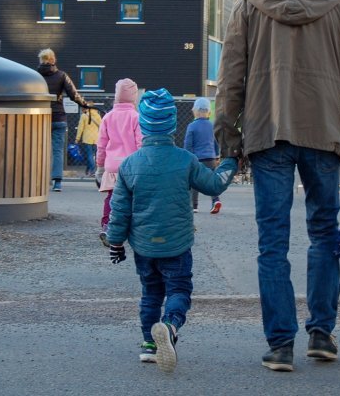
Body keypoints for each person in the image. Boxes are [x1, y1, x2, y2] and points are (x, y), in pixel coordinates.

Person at [214, 0, 340, 372]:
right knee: (324, 235)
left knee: (273, 242)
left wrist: (227, 140)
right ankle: (322, 334)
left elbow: (230, 81)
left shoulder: (247, 6)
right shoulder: (339, 10)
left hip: (268, 135)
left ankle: (280, 345)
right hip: (324, 135)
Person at [106, 88, 238, 373]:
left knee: (150, 293)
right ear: (171, 125)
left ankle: (148, 345)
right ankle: (170, 325)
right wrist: (230, 161)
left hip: (143, 245)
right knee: (179, 289)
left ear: (143, 125)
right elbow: (214, 185)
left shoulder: (129, 164)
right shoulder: (185, 160)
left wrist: (116, 243)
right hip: (177, 244)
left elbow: (120, 211)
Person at [37, 48, 91, 193]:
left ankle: (39, 179)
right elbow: (73, 94)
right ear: (53, 59)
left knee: (39, 149)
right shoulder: (61, 75)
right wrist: (85, 105)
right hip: (58, 117)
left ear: (41, 60)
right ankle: (57, 182)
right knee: (57, 150)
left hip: (40, 117)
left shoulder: (35, 76)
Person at [95, 78, 142, 246]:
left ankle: (107, 226)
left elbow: (101, 145)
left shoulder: (108, 117)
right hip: (132, 167)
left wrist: (100, 166)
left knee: (111, 198)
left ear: (116, 96)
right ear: (134, 97)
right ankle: (132, 230)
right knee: (133, 200)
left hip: (112, 166)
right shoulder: (136, 117)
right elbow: (140, 144)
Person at [184, 97, 223, 214]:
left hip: (197, 159)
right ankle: (215, 200)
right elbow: (216, 142)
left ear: (195, 111)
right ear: (209, 112)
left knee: (194, 182)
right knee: (211, 181)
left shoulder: (191, 126)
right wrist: (217, 156)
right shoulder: (212, 126)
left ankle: (194, 206)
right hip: (211, 158)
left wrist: (188, 157)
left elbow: (188, 144)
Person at [75, 106, 102, 177]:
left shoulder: (84, 116)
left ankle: (92, 170)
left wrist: (77, 138)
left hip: (87, 138)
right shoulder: (98, 116)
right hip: (96, 138)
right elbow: (101, 127)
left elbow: (80, 128)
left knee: (89, 155)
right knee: (94, 155)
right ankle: (88, 170)